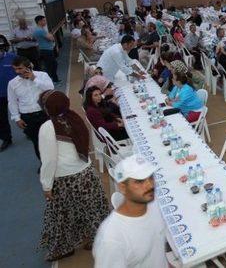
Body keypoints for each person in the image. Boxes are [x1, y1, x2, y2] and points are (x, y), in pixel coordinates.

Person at [38, 90, 110, 261]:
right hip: (86, 173)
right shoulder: (73, 117)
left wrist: (46, 185)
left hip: (66, 179)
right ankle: (97, 239)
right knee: (92, 210)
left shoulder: (48, 128)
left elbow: (48, 161)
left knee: (62, 215)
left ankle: (64, 247)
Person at [93, 155, 166, 267]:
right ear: (122, 187)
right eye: (140, 181)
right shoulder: (111, 238)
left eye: (150, 177)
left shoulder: (153, 203)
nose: (150, 185)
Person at [8, 56, 54, 160]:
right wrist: (17, 118)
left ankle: (54, 162)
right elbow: (12, 102)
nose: (17, 71)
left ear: (28, 67)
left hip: (45, 114)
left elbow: (50, 88)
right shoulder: (12, 83)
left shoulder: (42, 75)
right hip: (28, 117)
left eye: (20, 68)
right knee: (36, 142)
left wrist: (34, 79)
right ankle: (43, 164)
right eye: (15, 69)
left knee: (50, 139)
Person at [0, 36, 17, 151]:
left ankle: (28, 131)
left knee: (23, 112)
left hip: (15, 93)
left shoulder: (13, 58)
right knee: (1, 118)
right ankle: (6, 139)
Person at [33, 16, 59, 82]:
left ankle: (54, 79)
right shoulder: (40, 30)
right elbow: (51, 38)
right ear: (39, 21)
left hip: (45, 49)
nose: (45, 22)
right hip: (46, 50)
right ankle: (51, 80)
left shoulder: (39, 30)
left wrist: (50, 35)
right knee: (51, 65)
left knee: (51, 65)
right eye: (44, 20)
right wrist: (51, 36)